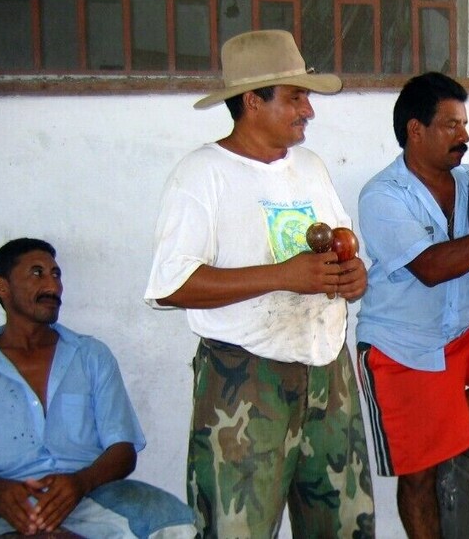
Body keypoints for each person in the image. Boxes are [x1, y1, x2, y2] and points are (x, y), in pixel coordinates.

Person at [144, 30, 374, 538]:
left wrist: (353, 277)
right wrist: (284, 276)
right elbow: (171, 285)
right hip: (243, 380)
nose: (308, 110)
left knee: (345, 527)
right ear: (252, 100)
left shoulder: (310, 168)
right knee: (236, 529)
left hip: (327, 372)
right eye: (296, 97)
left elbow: (342, 248)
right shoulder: (202, 174)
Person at [355, 72, 469, 538]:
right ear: (416, 130)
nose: (465, 137)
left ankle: (466, 401)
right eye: (451, 125)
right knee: (420, 477)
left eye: (465, 124)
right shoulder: (383, 195)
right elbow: (431, 268)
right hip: (406, 348)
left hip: (464, 337)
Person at [0, 238, 196, 538]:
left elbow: (123, 450)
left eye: (56, 274)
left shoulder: (90, 355)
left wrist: (80, 483)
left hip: (86, 499)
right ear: (1, 287)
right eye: (37, 273)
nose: (53, 286)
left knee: (171, 520)